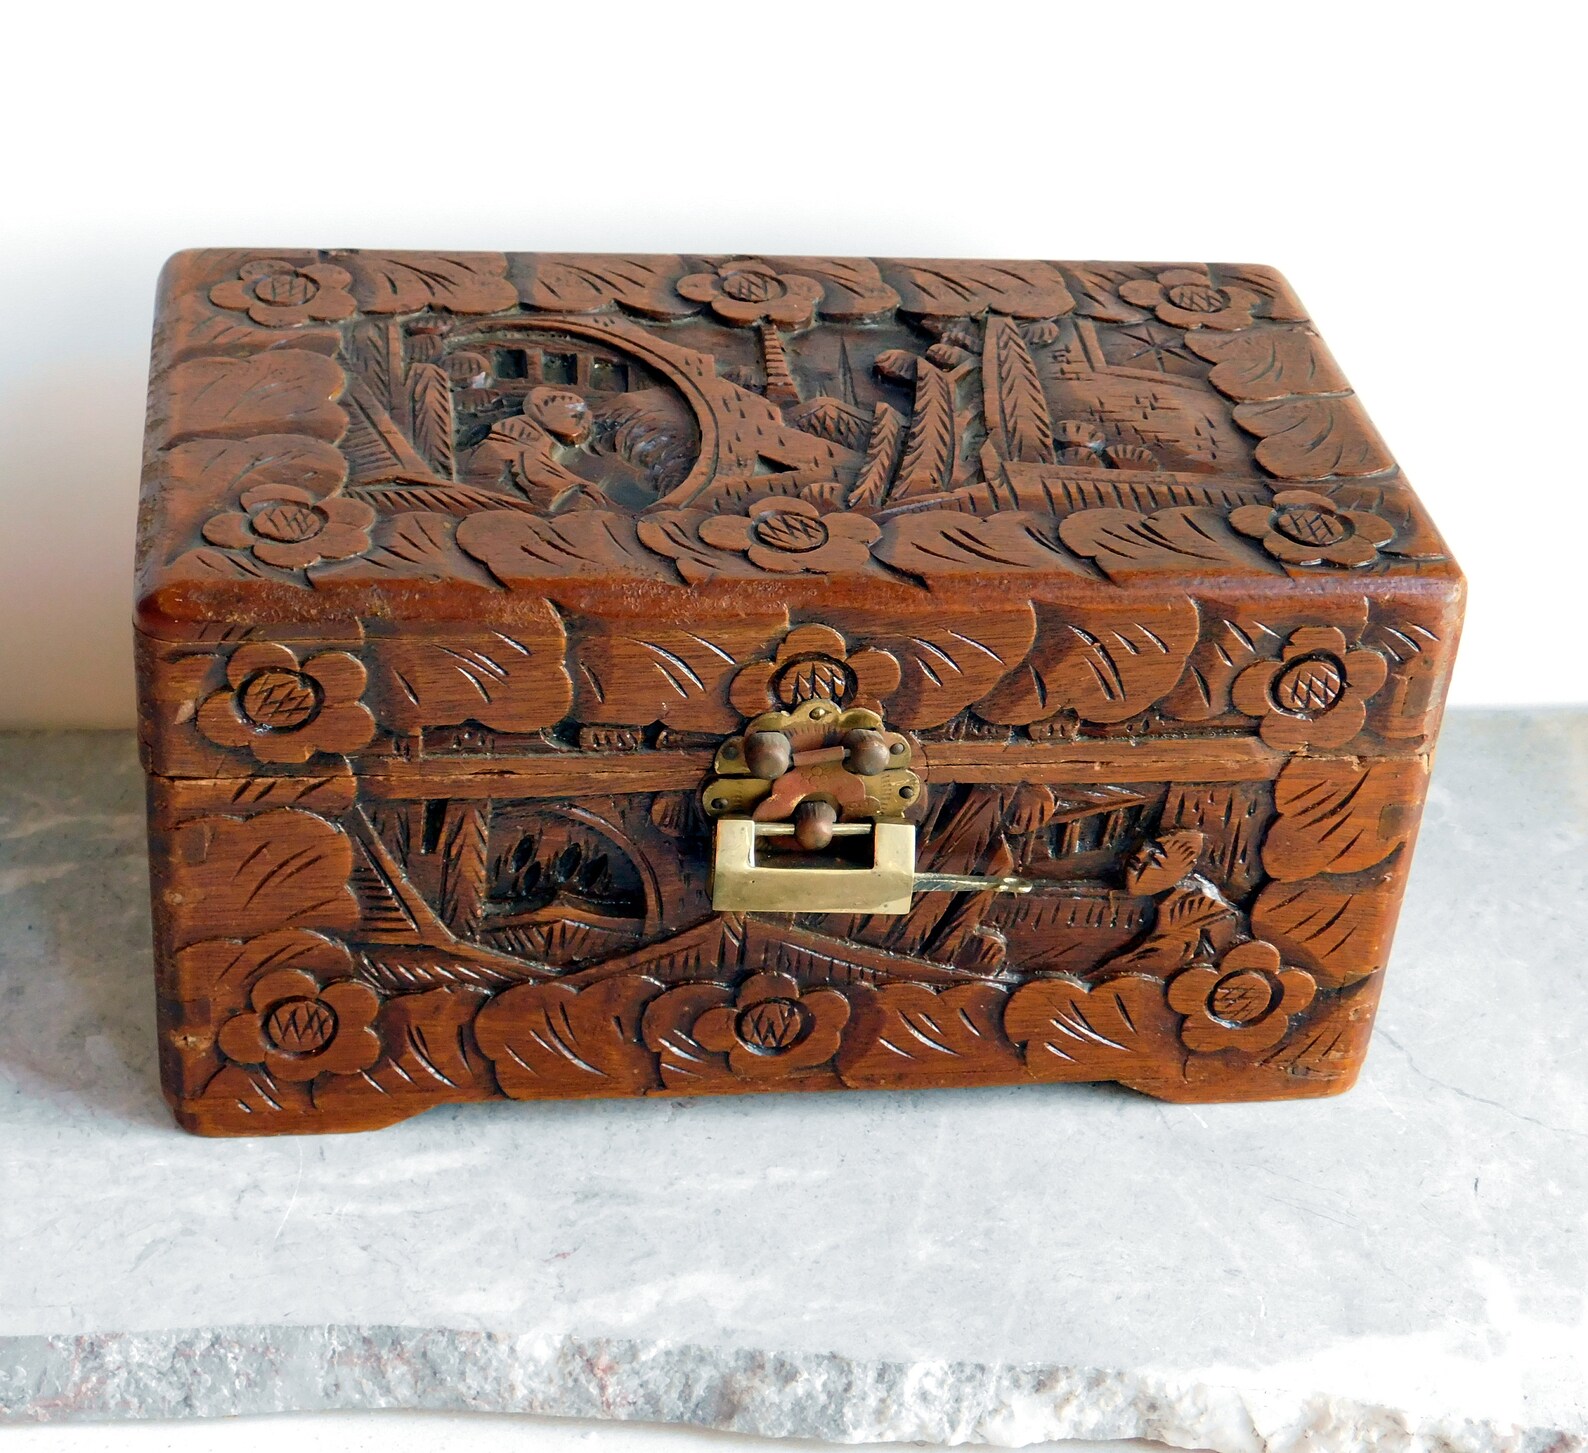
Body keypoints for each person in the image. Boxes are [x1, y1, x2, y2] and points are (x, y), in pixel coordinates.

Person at [463, 386, 603, 512]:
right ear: (542, 408)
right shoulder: (521, 431)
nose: (586, 420)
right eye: (576, 414)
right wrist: (583, 488)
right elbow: (534, 475)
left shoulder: (533, 433)